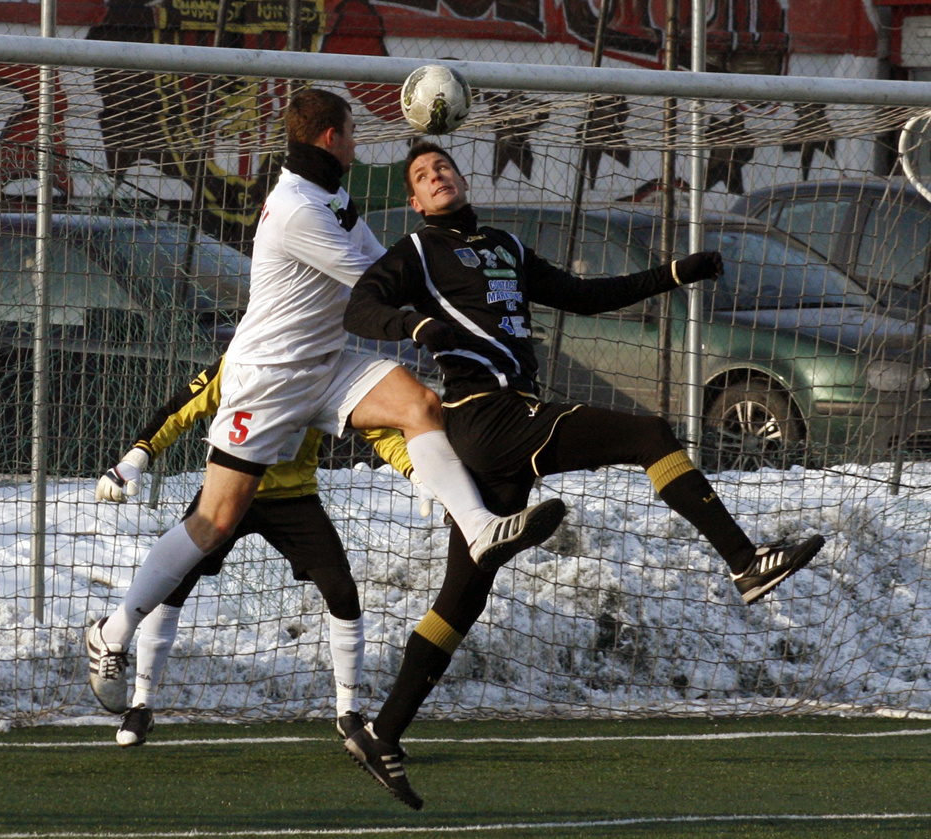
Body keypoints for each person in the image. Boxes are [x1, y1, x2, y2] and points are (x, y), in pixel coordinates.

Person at [340, 141, 827, 809]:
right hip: (485, 415)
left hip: (504, 421)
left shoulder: (505, 243)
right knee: (649, 433)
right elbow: (357, 308)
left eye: (442, 166)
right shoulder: (417, 252)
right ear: (417, 201)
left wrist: (675, 273)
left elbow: (585, 296)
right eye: (422, 176)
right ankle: (745, 561)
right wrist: (410, 320)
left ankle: (381, 731)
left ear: (459, 176)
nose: (436, 176)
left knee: (465, 592)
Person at [85, 91, 566, 722]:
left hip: (327, 363)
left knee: (418, 403)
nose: (361, 142)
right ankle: (113, 633)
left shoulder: (330, 193)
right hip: (269, 379)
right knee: (213, 523)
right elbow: (375, 280)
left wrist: (441, 258)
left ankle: (479, 531)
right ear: (331, 138)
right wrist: (449, 285)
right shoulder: (296, 207)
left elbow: (385, 262)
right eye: (354, 133)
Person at [94, 355, 416, 747]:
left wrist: (421, 470)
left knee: (342, 592)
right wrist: (137, 455)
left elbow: (379, 432)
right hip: (225, 492)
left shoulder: (328, 367)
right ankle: (141, 705)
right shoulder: (242, 357)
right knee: (173, 586)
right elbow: (178, 410)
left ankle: (347, 712)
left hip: (294, 499)